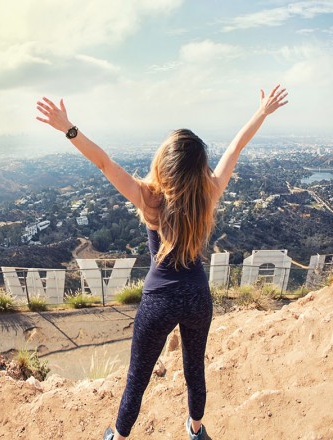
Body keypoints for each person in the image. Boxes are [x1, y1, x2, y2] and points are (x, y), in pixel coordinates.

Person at [35, 86, 288, 439]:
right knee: (194, 370)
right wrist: (262, 112)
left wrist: (68, 128)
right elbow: (236, 148)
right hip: (198, 298)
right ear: (198, 169)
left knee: (137, 379)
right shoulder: (209, 193)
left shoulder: (148, 199)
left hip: (159, 301)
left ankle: (120, 437)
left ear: (162, 163)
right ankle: (196, 429)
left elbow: (103, 162)